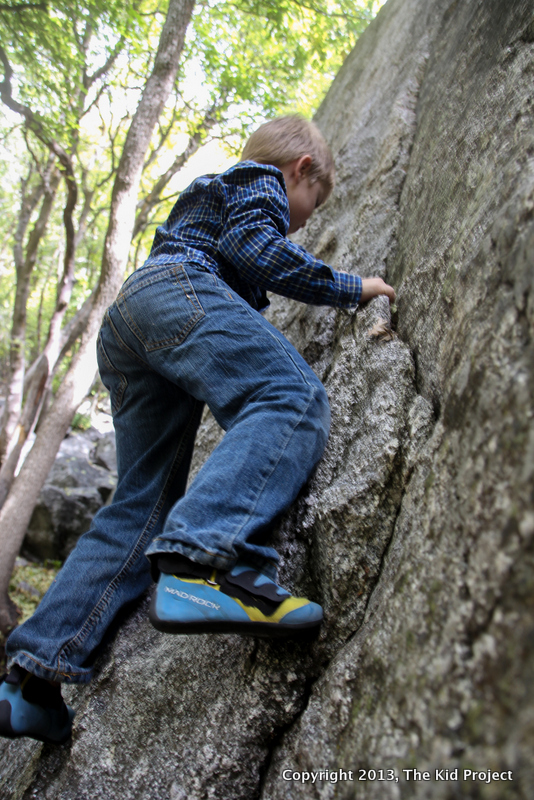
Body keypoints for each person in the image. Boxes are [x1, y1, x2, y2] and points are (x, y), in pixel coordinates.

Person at [0, 116, 395, 745]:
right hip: (180, 291)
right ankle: (202, 568)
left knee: (138, 508)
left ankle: (30, 678)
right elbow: (258, 250)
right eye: (306, 211)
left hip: (131, 322)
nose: (299, 224)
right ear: (300, 171)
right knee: (287, 395)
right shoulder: (259, 180)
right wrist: (352, 287)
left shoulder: (220, 192)